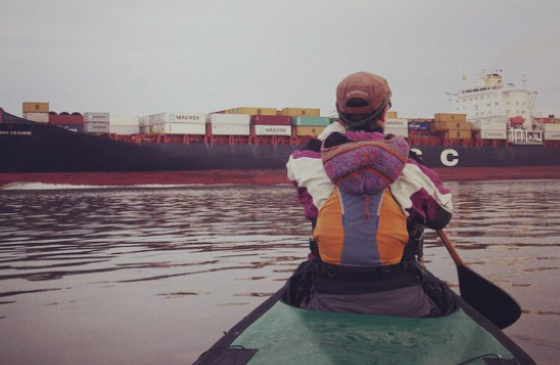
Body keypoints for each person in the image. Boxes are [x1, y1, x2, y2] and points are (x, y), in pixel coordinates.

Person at [285, 71, 454, 317]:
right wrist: (415, 162)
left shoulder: (302, 162)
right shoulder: (411, 168)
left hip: (329, 297)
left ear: (339, 111)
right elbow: (441, 217)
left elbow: (309, 163)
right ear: (386, 110)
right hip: (402, 297)